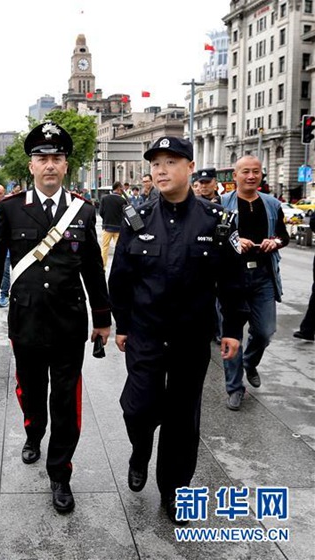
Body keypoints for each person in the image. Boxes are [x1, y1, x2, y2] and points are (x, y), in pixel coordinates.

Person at [0, 121, 111, 515]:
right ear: (31, 165)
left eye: (56, 158)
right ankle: (34, 432)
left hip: (69, 321)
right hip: (27, 319)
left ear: (66, 165)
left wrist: (102, 318)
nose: (49, 165)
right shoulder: (10, 208)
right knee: (32, 391)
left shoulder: (83, 211)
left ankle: (60, 474)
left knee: (66, 400)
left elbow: (92, 269)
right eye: (42, 158)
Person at [109, 136, 246, 525]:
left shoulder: (217, 221)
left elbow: (232, 281)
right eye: (156, 163)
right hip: (146, 334)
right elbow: (120, 278)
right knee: (138, 408)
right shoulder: (137, 219)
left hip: (190, 336)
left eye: (171, 162)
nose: (161, 170)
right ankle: (140, 450)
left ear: (189, 167)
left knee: (183, 418)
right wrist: (122, 324)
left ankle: (174, 492)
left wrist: (232, 328)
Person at [220, 155, 289, 410]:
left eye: (256, 172)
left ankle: (250, 361)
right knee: (231, 333)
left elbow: (283, 235)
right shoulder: (223, 204)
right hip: (231, 277)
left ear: (262, 175)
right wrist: (235, 240)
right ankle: (234, 387)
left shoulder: (271, 204)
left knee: (264, 331)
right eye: (246, 171)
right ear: (235, 176)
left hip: (263, 276)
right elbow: (216, 234)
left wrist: (276, 242)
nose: (251, 176)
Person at [98, 181, 128, 268]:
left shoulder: (104, 198)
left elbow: (101, 212)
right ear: (119, 188)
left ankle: (103, 266)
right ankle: (120, 265)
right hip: (119, 228)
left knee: (105, 247)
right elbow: (126, 213)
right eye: (121, 188)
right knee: (119, 248)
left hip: (107, 226)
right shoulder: (122, 200)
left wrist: (106, 219)